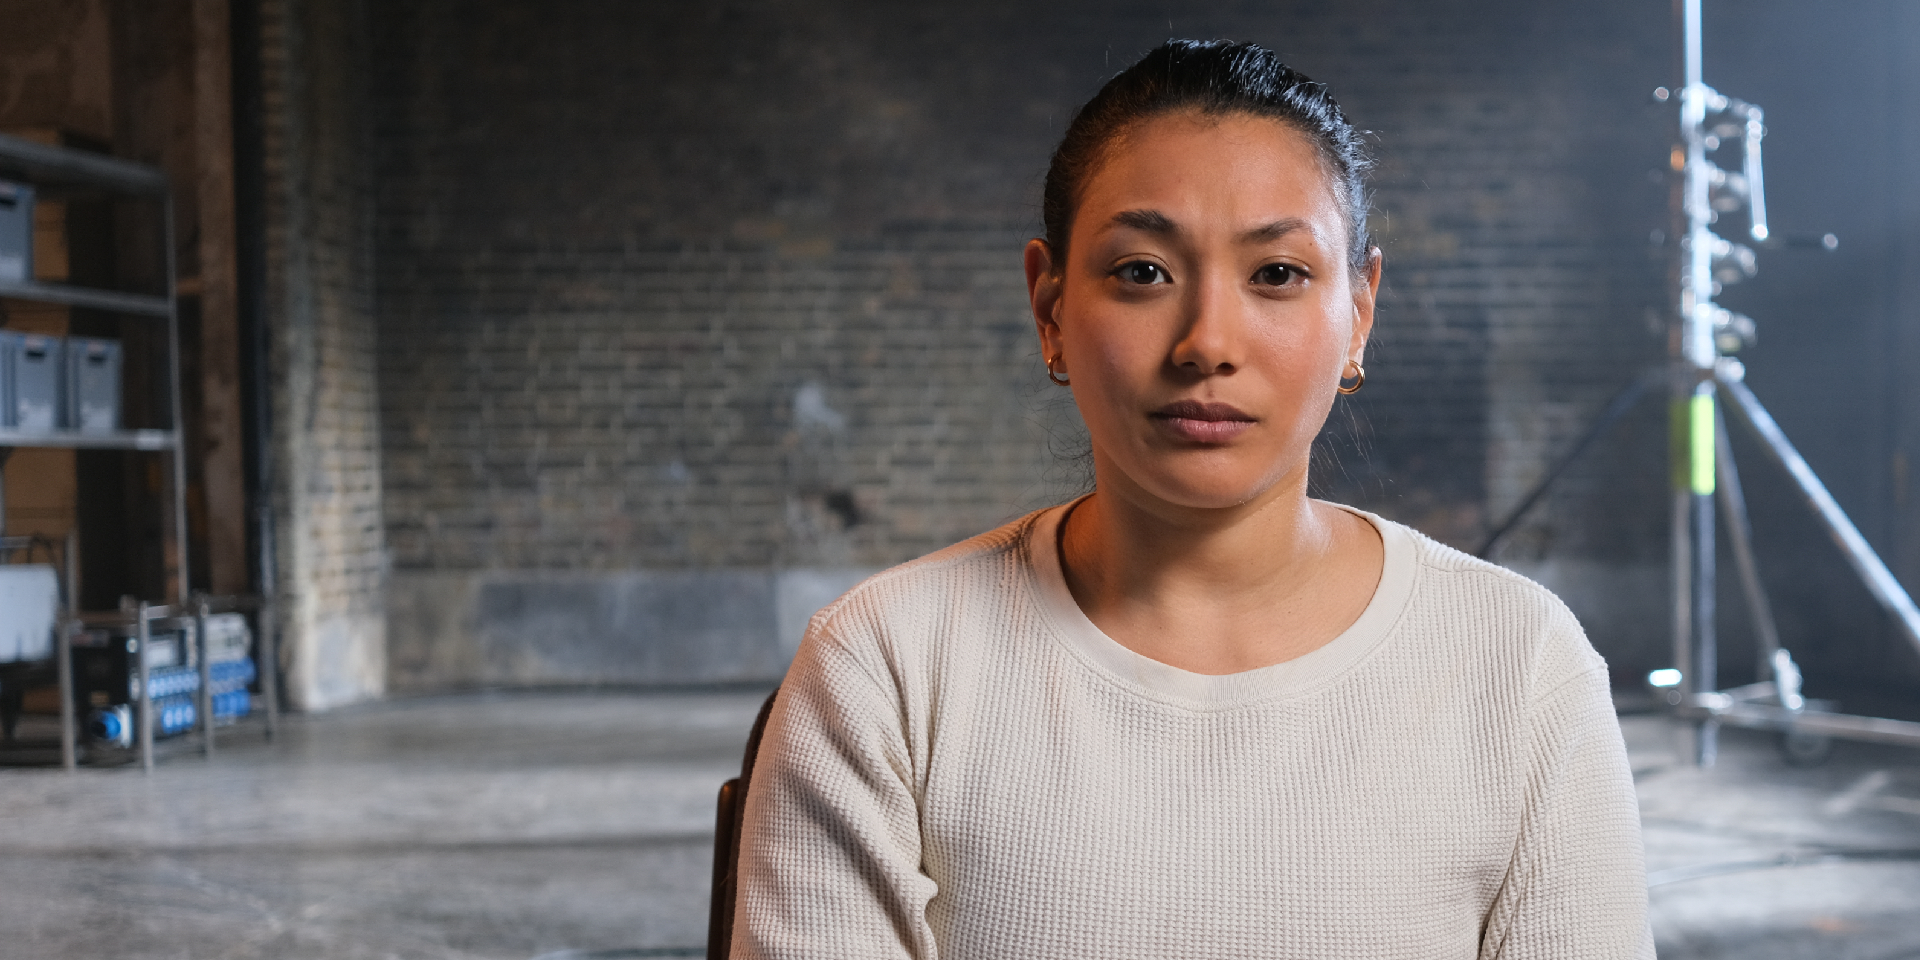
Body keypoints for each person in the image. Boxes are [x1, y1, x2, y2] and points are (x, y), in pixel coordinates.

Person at [732, 39, 1651, 960]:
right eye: (1143, 273)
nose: (1207, 341)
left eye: (1277, 274)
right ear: (1050, 308)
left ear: (1359, 313)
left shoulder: (1518, 663)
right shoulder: (886, 665)